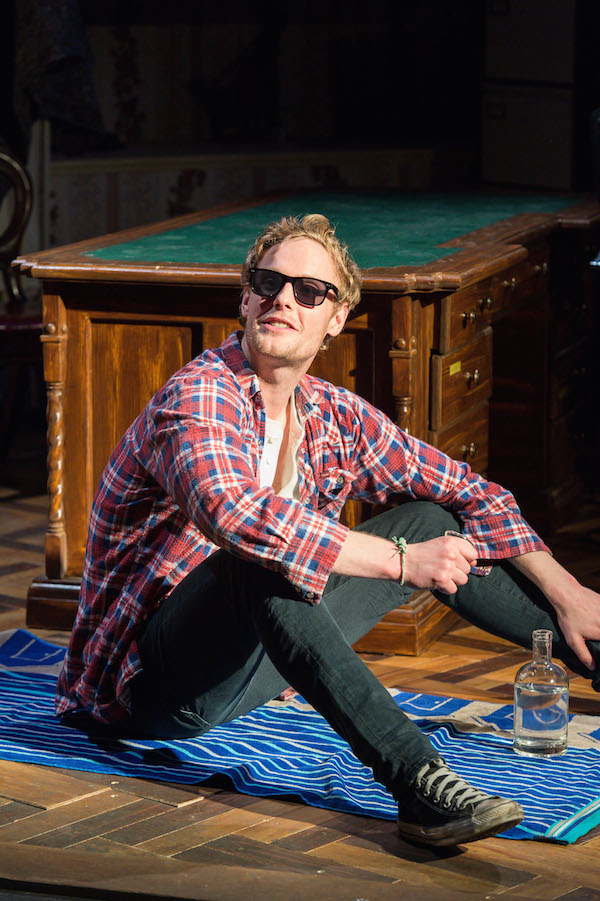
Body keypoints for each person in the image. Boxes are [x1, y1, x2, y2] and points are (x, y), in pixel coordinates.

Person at [56, 213, 600, 848]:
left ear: (336, 318)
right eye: (268, 283)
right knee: (259, 560)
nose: (283, 299)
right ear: (246, 298)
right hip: (146, 691)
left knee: (436, 516)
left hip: (249, 674)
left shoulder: (332, 415)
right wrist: (403, 563)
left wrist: (568, 593)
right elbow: (236, 515)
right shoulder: (198, 396)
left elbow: (473, 492)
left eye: (310, 291)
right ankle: (419, 784)